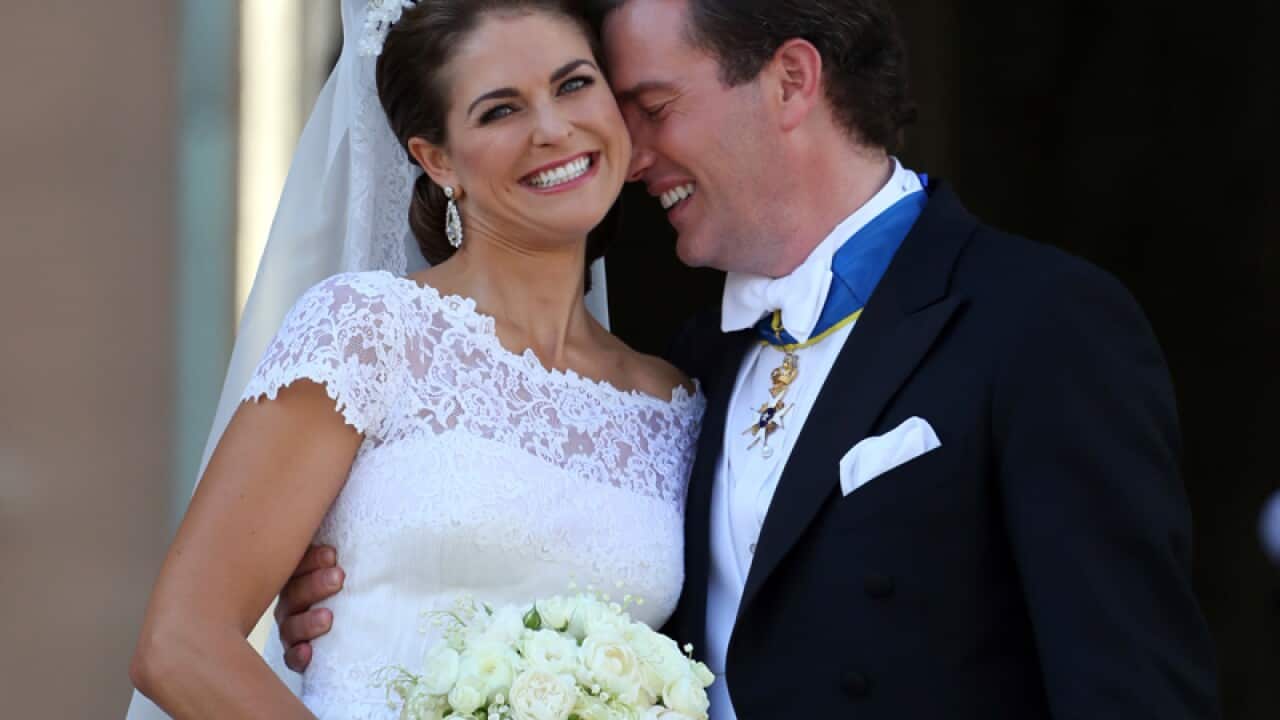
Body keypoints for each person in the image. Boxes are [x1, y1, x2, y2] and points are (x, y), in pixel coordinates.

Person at [279, 0, 1221, 717]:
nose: (626, 152)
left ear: (790, 82)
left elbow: (1129, 689)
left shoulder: (1039, 322)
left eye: (651, 106)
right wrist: (373, 567)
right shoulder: (681, 375)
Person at [127, 1, 703, 717]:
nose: (554, 129)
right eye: (500, 111)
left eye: (574, 84)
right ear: (436, 160)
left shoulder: (675, 402)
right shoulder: (369, 331)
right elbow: (181, 643)